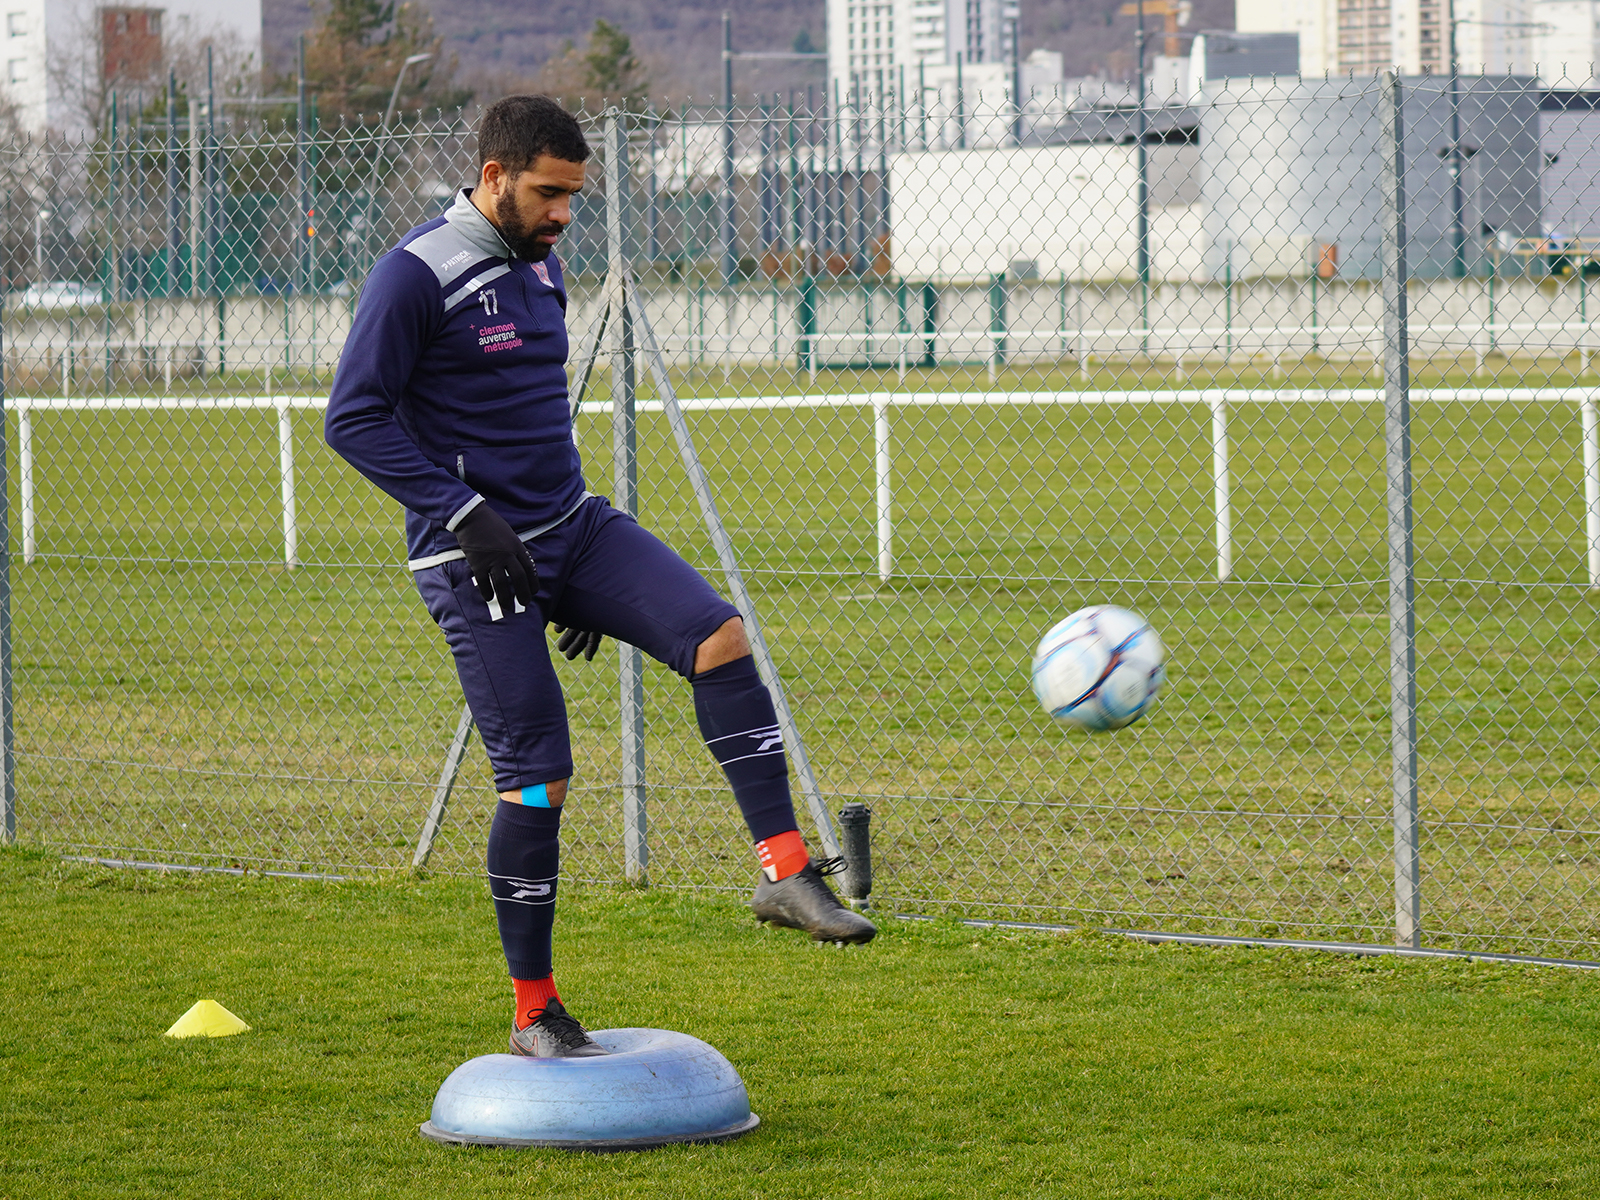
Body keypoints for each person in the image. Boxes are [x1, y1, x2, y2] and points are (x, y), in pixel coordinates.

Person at [325, 95, 875, 1059]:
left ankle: (785, 872)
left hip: (571, 533)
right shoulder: (413, 275)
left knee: (720, 637)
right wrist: (466, 516)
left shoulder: (543, 269)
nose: (564, 213)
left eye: (574, 196)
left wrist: (574, 583)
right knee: (539, 781)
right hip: (474, 557)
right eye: (547, 193)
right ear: (493, 177)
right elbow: (353, 419)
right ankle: (534, 1009)